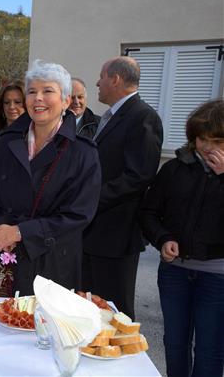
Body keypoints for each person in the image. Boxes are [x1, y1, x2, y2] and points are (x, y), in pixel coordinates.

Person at [0, 60, 101, 296]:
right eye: (32, 92)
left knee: (40, 329)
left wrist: (21, 232)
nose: (38, 98)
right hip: (1, 258)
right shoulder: (5, 144)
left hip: (51, 265)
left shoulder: (82, 152)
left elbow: (79, 214)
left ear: (66, 100)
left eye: (48, 91)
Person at [140, 98, 224, 377]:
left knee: (210, 349)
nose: (207, 147)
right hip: (174, 273)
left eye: (216, 140)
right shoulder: (174, 169)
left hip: (217, 277)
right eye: (202, 139)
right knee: (174, 344)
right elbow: (149, 212)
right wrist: (163, 239)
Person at [82, 56, 163, 319]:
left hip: (116, 235)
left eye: (101, 76)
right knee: (88, 308)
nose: (97, 82)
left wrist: (89, 199)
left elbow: (138, 176)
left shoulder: (143, 117)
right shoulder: (111, 116)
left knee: (114, 312)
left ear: (115, 79)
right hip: (95, 234)